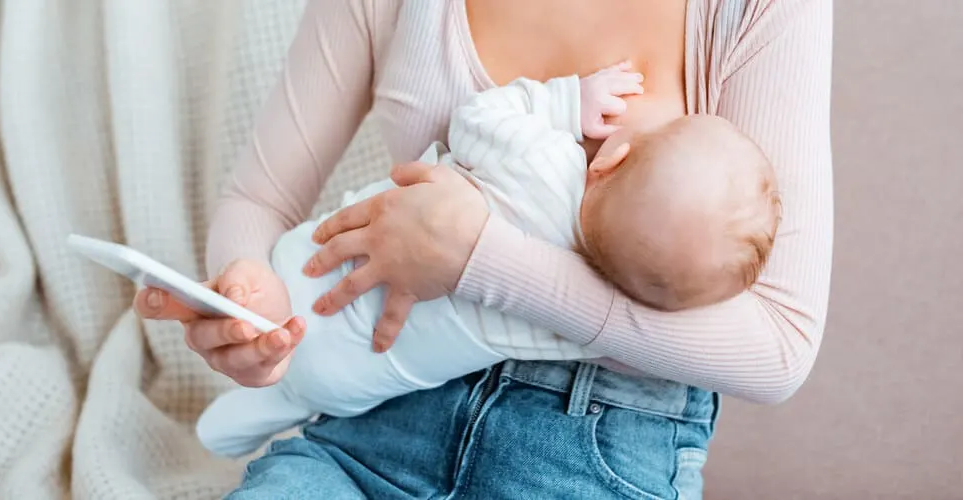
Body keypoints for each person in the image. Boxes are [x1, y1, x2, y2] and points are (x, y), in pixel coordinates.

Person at [135, 0, 833, 497]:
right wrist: (255, 311)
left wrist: (476, 259)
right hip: (373, 414)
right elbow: (259, 203)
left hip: (596, 446)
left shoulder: (755, 10)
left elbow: (780, 350)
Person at [194, 66, 780, 459]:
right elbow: (644, 339)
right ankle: (255, 411)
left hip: (312, 268)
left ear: (608, 162)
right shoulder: (564, 330)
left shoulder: (544, 161)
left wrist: (564, 101)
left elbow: (478, 118)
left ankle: (244, 368)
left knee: (274, 319)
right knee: (294, 395)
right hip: (358, 385)